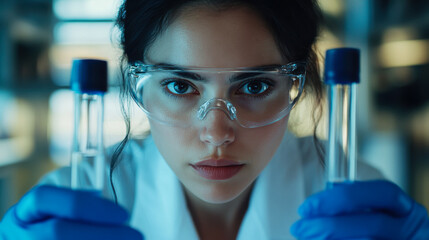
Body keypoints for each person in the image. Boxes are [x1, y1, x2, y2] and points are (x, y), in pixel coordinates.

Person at [1, 0, 429, 239]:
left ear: (296, 85)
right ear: (137, 86)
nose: (217, 134)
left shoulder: (351, 200)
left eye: (256, 86)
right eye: (181, 87)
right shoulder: (72, 206)